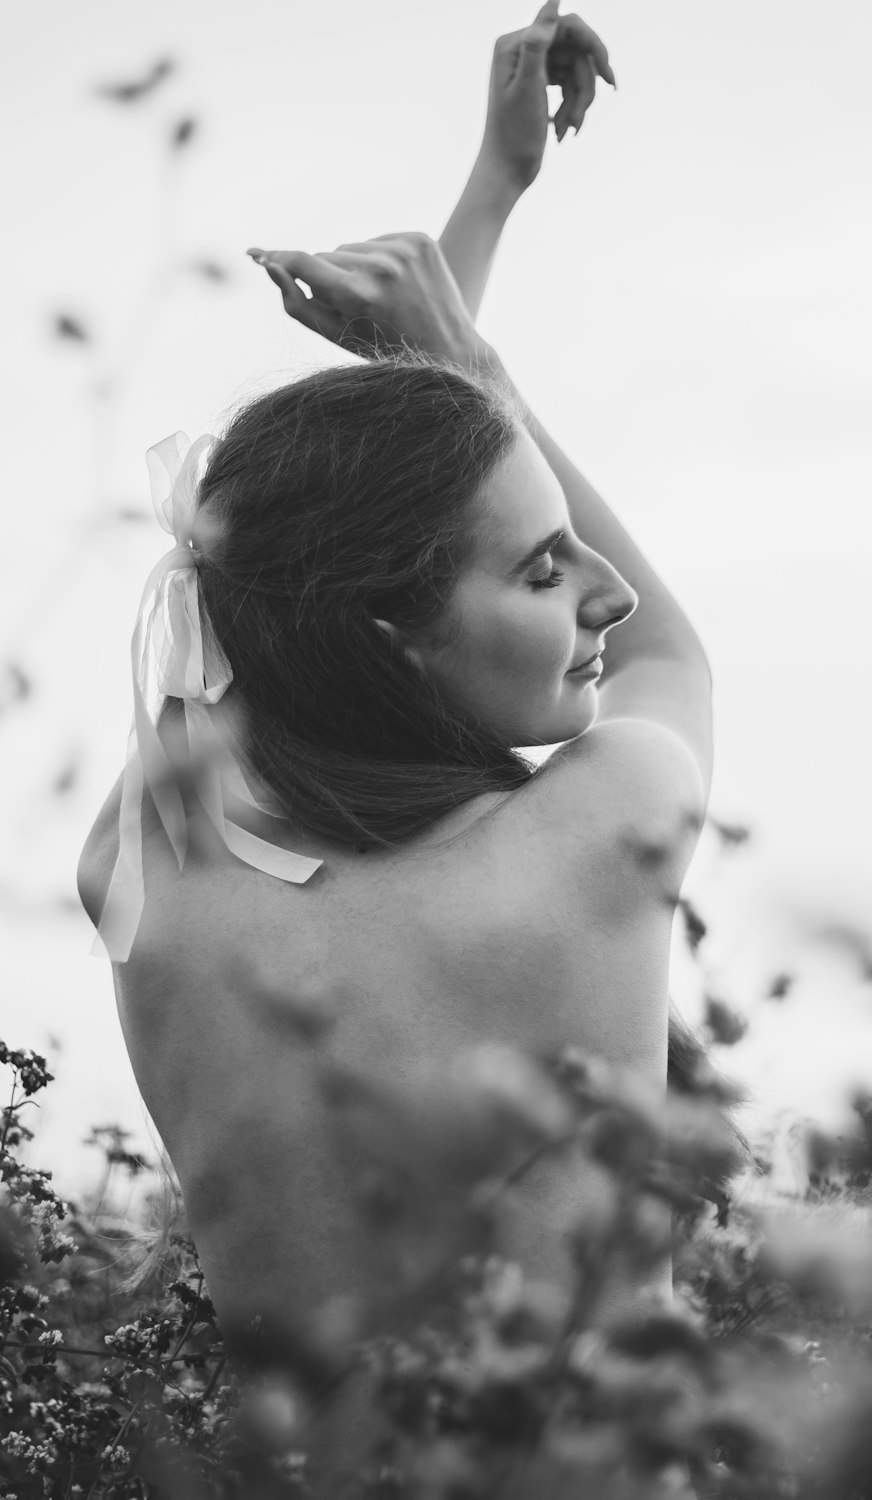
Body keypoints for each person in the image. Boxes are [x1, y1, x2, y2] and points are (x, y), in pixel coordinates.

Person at [77, 0, 712, 1409]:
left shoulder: (146, 867)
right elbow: (672, 650)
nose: (603, 594)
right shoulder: (596, 834)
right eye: (548, 571)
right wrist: (460, 340)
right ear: (391, 631)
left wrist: (481, 215)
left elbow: (318, 552)